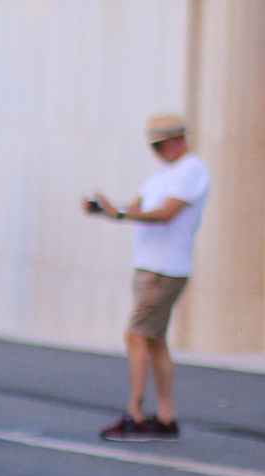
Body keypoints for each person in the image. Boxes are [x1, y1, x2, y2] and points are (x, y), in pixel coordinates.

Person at [86, 111, 210, 442]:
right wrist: (109, 210)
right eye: (152, 146)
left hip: (166, 267)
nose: (156, 151)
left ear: (178, 140)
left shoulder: (191, 170)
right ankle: (166, 417)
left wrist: (122, 213)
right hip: (149, 264)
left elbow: (165, 214)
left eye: (161, 145)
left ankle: (135, 414)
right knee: (154, 340)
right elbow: (136, 207)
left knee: (136, 335)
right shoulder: (163, 172)